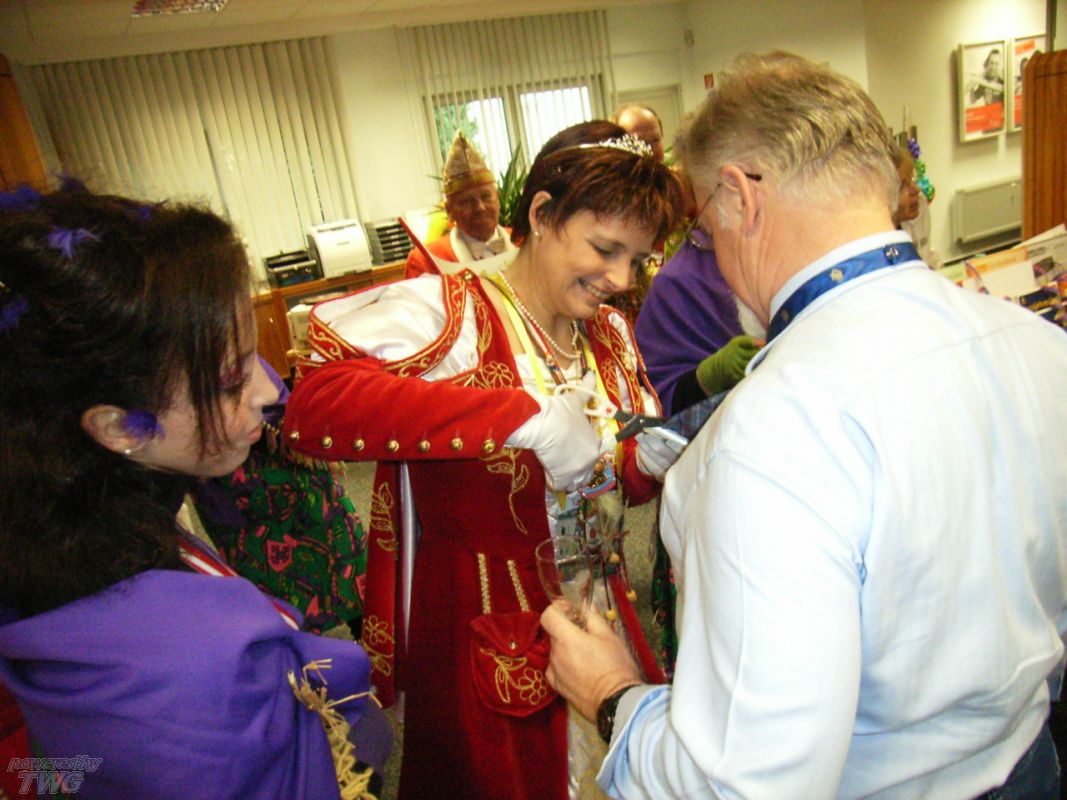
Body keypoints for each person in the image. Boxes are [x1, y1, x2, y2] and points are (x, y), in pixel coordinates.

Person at [542, 51, 1067, 799]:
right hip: (1028, 761)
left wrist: (611, 695)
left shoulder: (772, 431)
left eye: (705, 227)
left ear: (739, 195)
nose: (716, 260)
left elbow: (746, 784)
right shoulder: (1038, 344)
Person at [282, 121, 685, 799]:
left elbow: (611, 483)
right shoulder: (449, 309)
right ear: (541, 214)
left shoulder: (610, 332)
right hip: (483, 628)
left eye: (637, 259)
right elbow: (316, 407)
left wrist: (643, 460)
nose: (620, 279)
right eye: (604, 248)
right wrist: (517, 417)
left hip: (599, 613)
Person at [0, 183, 391, 799]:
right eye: (231, 381)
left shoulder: (68, 528)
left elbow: (57, 772)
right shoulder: (185, 670)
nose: (269, 391)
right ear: (118, 428)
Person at [404, 130, 516, 278]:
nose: (480, 207)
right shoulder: (426, 262)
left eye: (486, 197)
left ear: (498, 199)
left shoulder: (526, 242)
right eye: (466, 201)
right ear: (449, 211)